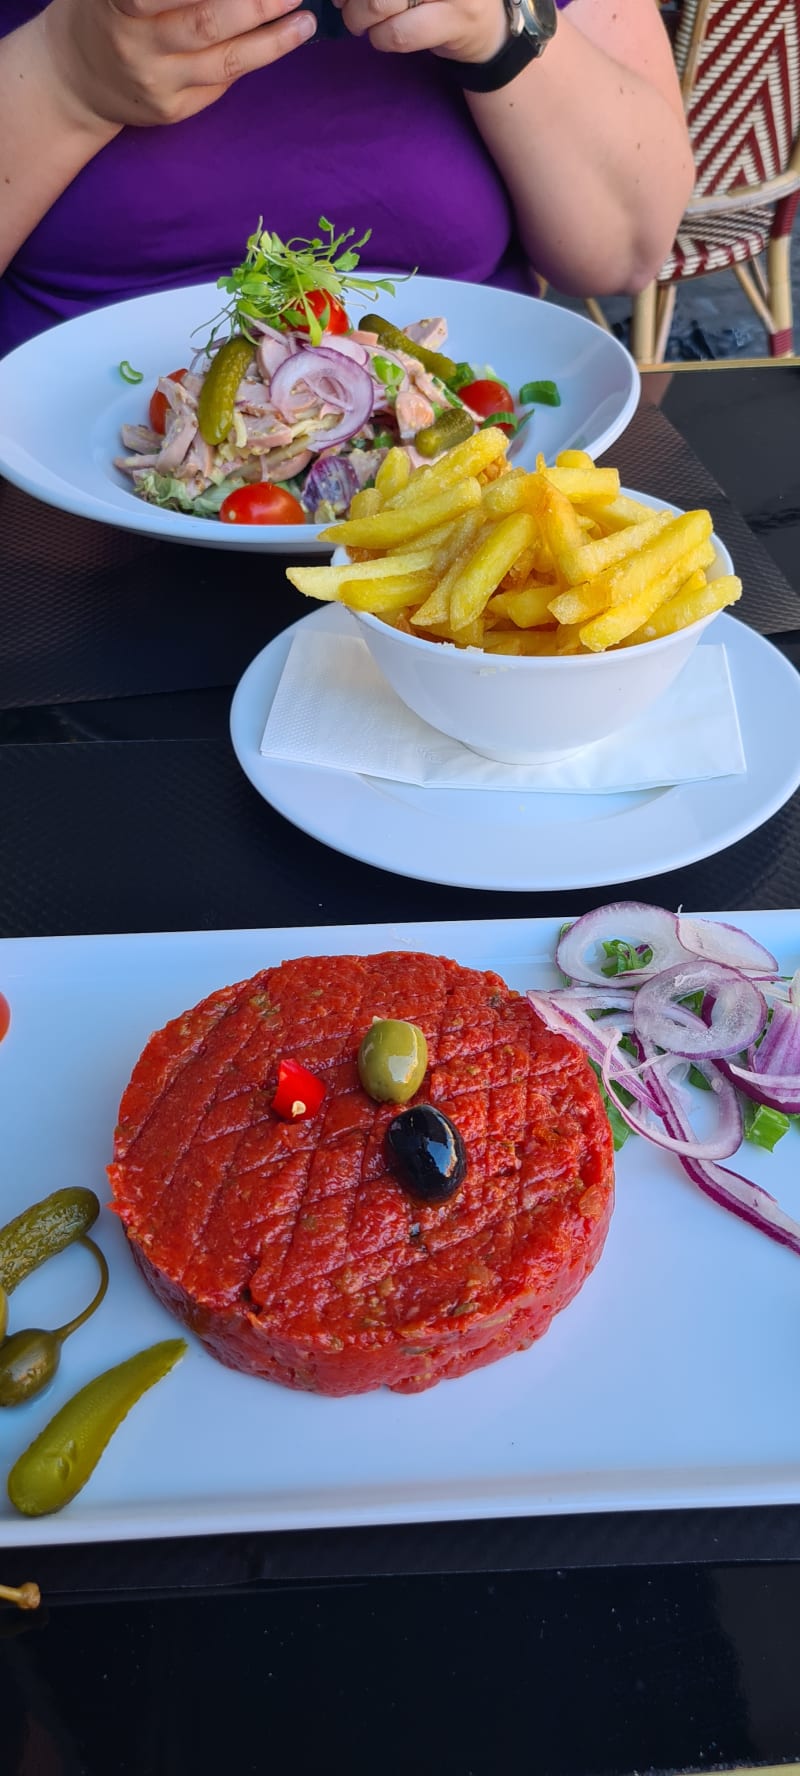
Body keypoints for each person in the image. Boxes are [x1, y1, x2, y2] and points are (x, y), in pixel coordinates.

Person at [0, 0, 694, 357]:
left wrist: (502, 26)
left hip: (460, 502)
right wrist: (67, 77)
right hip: (57, 526)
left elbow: (627, 249)